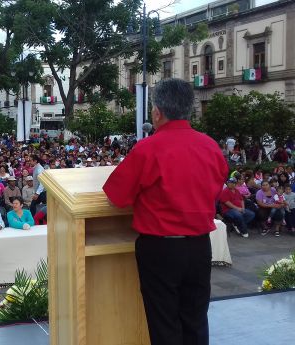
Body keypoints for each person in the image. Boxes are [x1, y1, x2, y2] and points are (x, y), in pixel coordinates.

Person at [103, 79, 227, 345]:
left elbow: (116, 196)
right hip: (200, 247)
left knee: (164, 324)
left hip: (160, 250)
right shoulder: (211, 147)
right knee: (195, 321)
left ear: (157, 112)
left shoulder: (148, 149)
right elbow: (216, 190)